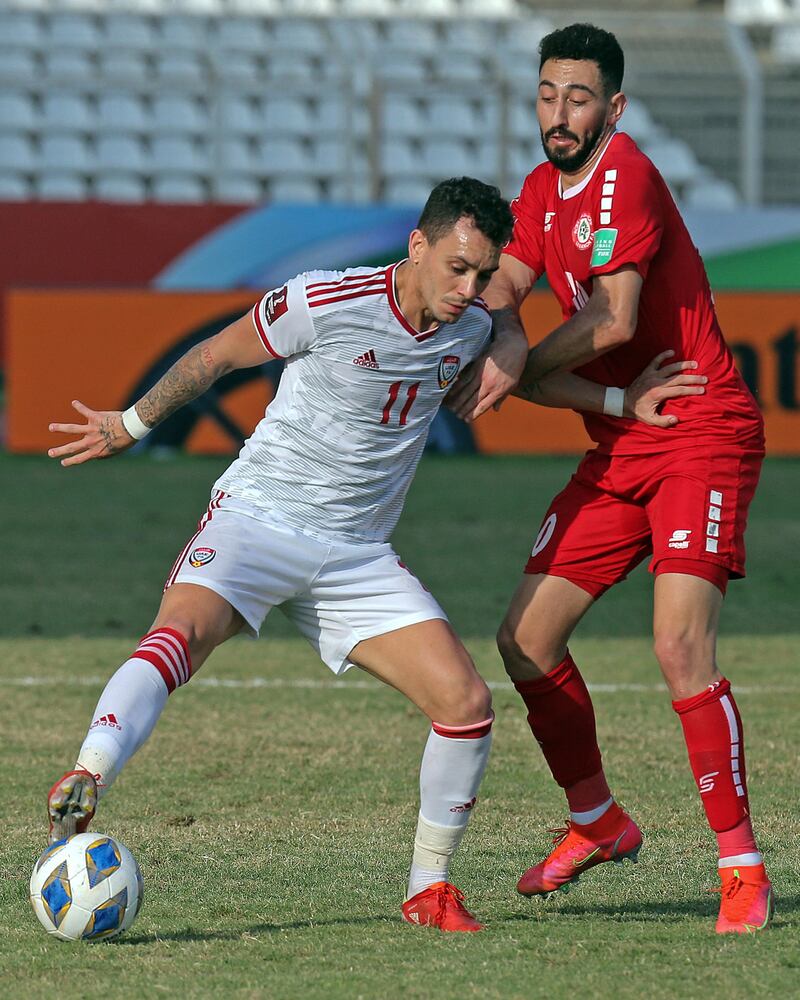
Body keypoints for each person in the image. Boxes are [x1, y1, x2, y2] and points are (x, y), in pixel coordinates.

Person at [46, 177, 701, 934]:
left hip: (355, 555)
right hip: (259, 519)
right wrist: (130, 424)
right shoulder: (324, 300)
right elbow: (216, 356)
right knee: (179, 636)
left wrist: (618, 401)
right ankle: (89, 771)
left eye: (486, 273)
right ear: (417, 246)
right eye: (457, 267)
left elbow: (515, 375)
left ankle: (428, 891)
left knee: (467, 708)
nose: (471, 288)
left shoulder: (472, 324)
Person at [449, 24, 773, 935]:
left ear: (613, 109)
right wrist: (519, 345)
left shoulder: (624, 172)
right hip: (631, 437)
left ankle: (741, 866)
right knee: (524, 641)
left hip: (702, 428)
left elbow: (611, 314)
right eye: (549, 93)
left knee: (678, 647)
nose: (560, 112)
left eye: (579, 98)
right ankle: (597, 820)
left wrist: (515, 368)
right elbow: (506, 290)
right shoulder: (539, 192)